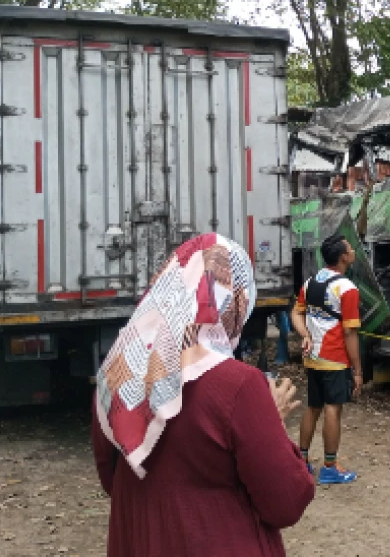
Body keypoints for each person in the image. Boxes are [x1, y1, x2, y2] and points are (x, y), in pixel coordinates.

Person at [92, 233, 314, 556]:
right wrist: (272, 423)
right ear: (232, 303)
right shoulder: (239, 387)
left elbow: (112, 479)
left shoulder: (116, 375)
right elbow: (285, 502)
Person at [292, 233, 363, 484]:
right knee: (333, 408)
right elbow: (350, 332)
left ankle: (301, 461)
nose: (354, 251)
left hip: (313, 357)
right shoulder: (347, 289)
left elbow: (296, 312)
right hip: (334, 356)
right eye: (351, 248)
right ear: (344, 257)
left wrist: (305, 335)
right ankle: (330, 467)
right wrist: (357, 370)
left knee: (313, 406)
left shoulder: (311, 282)